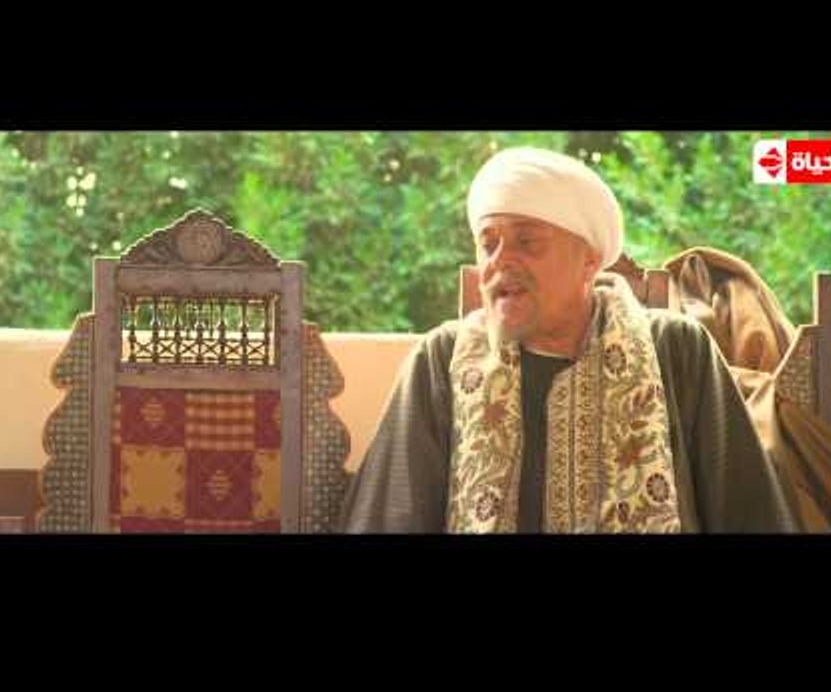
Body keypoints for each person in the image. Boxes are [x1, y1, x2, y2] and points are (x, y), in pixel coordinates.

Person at [337, 147, 796, 533]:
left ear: (589, 260)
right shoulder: (443, 358)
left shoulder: (675, 350)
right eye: (488, 243)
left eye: (527, 242)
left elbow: (752, 514)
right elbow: (387, 517)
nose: (499, 262)